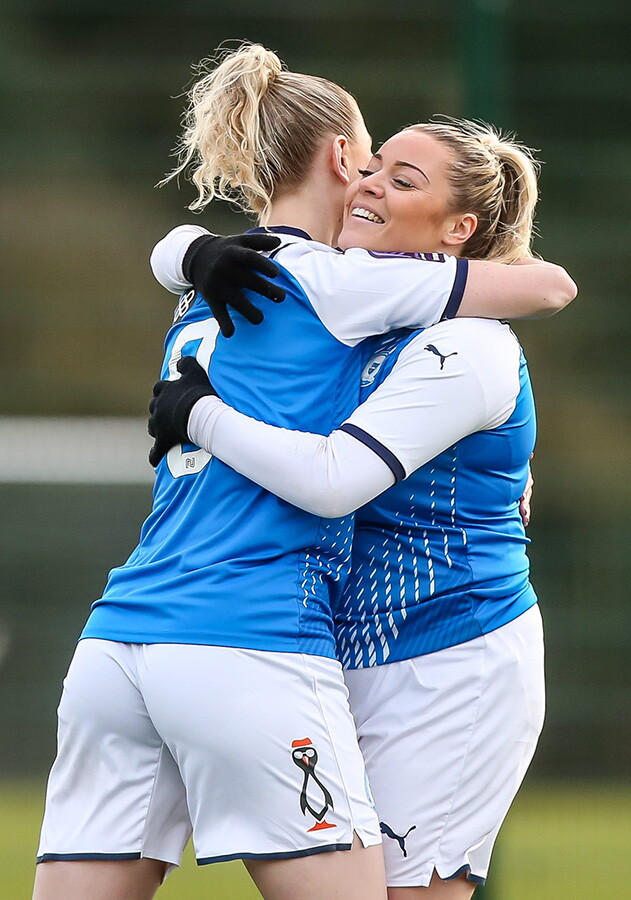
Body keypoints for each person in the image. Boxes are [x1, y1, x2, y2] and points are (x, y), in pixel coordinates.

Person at [33, 43, 574, 900]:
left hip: (119, 638)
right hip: (245, 635)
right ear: (336, 159)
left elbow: (535, 295)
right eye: (370, 165)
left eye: (397, 179)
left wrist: (185, 258)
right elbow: (545, 287)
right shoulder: (344, 282)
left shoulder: (211, 283)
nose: (368, 186)